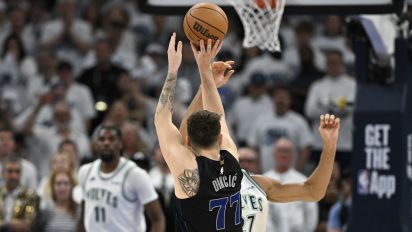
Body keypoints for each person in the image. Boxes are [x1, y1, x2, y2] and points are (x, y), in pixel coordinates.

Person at [179, 65, 341, 232]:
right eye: (243, 160)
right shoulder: (196, 181)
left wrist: (330, 146)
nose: (245, 164)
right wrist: (204, 87)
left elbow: (313, 191)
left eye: (249, 161)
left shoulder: (258, 183)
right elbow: (184, 138)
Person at [154, 33, 243, 231]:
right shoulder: (231, 156)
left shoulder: (188, 169)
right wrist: (206, 76)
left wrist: (172, 71)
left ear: (188, 141)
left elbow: (161, 120)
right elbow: (218, 114)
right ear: (220, 137)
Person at [77, 125, 165, 232]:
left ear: (120, 144)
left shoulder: (135, 174)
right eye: (102, 139)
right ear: (96, 143)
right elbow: (84, 213)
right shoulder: (85, 172)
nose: (106, 143)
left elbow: (158, 218)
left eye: (111, 139)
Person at [264, 138, 318, 232]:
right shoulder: (263, 181)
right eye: (280, 150)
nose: (283, 154)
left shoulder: (303, 181)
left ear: (293, 155)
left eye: (287, 151)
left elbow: (311, 212)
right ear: (274, 154)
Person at [0, 156, 40, 232]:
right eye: (10, 171)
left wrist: (4, 222)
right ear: (2, 173)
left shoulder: (31, 196)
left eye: (17, 172)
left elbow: (27, 225)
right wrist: (9, 223)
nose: (14, 176)